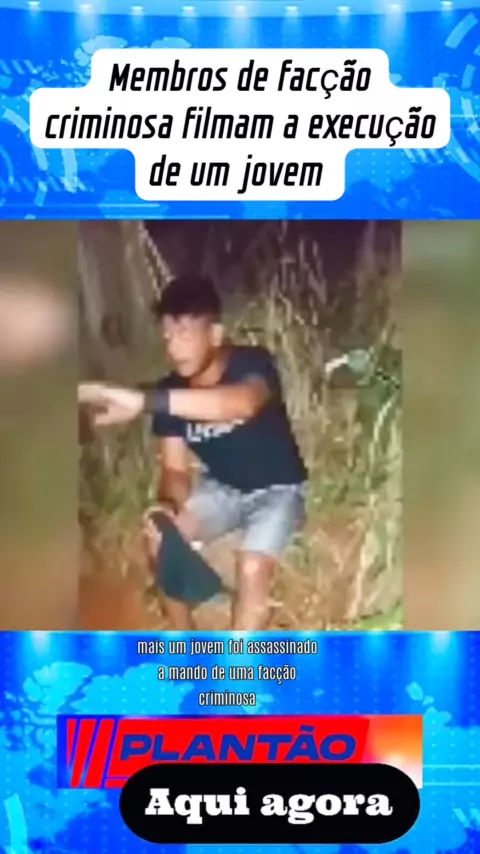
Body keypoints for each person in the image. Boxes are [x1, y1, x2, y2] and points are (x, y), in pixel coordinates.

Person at [79, 276, 307, 631]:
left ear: (214, 334)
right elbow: (175, 471)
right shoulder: (171, 390)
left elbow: (243, 404)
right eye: (167, 336)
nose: (173, 347)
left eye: (184, 333)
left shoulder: (252, 363)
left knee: (251, 568)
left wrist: (144, 402)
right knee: (160, 539)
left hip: (278, 491)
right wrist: (169, 506)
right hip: (221, 491)